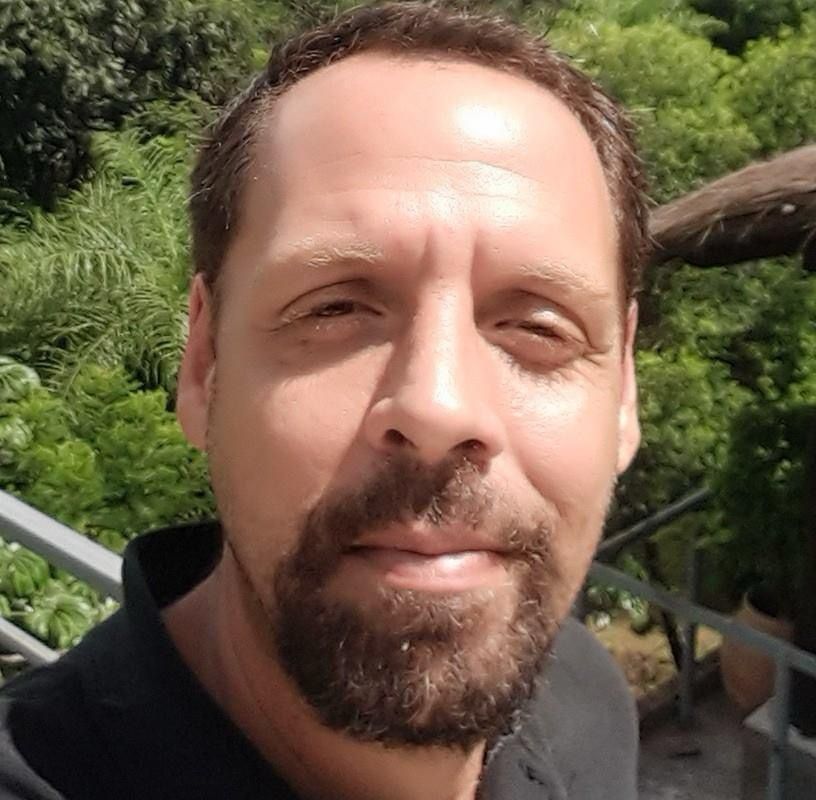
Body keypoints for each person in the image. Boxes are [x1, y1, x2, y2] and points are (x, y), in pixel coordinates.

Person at [0, 3, 650, 798]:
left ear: (623, 391)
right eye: (334, 309)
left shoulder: (585, 704)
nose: (440, 408)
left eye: (538, 327)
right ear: (204, 365)